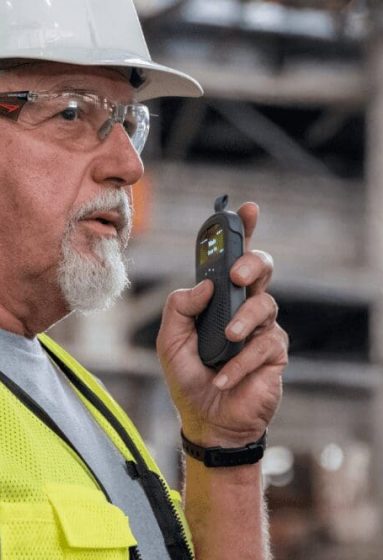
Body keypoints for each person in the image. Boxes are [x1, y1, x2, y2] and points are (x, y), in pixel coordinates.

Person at [0, 1, 288, 559]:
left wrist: (222, 447)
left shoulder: (85, 408)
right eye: (71, 112)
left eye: (130, 123)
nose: (129, 165)